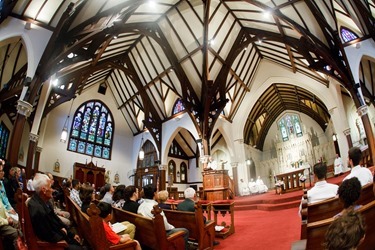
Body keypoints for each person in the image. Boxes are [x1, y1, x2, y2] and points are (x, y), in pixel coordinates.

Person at [28, 173, 82, 249]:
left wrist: (71, 234)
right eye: (50, 187)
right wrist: (63, 233)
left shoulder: (45, 202)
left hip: (59, 236)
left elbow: (57, 221)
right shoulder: (37, 209)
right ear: (44, 190)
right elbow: (48, 236)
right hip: (55, 245)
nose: (52, 190)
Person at [138, 184, 189, 250]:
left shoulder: (141, 206)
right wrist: (173, 227)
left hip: (147, 234)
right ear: (154, 194)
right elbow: (165, 226)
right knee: (185, 231)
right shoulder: (156, 208)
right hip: (160, 235)